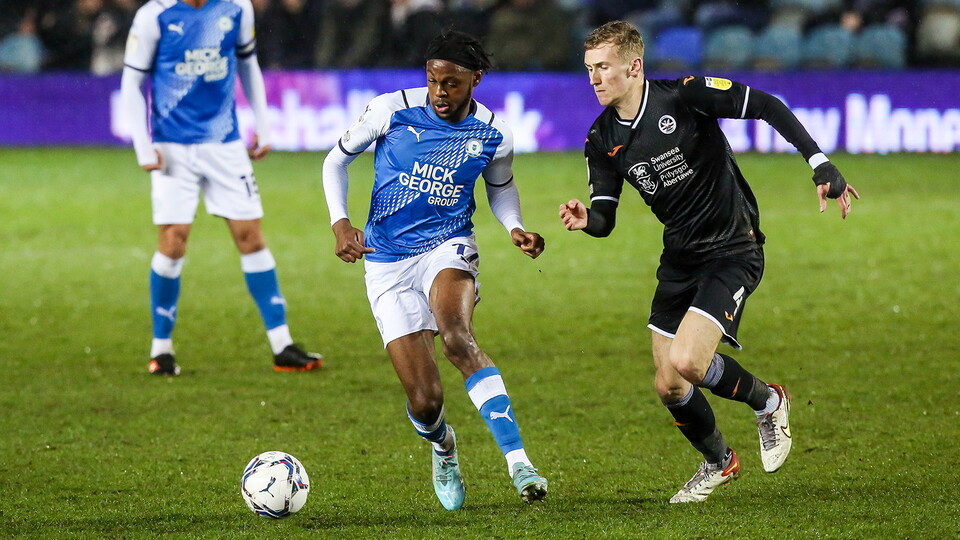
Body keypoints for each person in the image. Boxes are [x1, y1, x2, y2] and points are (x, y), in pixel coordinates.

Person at [559, 21, 859, 503]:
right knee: (669, 385)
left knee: (688, 361)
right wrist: (584, 219)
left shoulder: (685, 96)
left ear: (634, 66)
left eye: (604, 68)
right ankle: (720, 462)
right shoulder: (601, 139)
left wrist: (819, 163)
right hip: (680, 258)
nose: (595, 79)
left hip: (732, 249)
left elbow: (767, 105)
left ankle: (769, 401)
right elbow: (606, 217)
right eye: (590, 69)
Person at [322, 30, 548, 509]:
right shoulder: (391, 110)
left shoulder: (493, 133)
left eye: (452, 84)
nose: (441, 93)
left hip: (448, 245)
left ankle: (519, 461)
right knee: (425, 401)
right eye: (433, 81)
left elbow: (500, 186)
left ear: (476, 80)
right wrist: (341, 223)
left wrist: (515, 227)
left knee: (457, 338)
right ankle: (443, 447)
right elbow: (334, 162)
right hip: (385, 260)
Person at [119, 0, 323, 376]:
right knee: (174, 240)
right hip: (172, 146)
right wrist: (142, 144)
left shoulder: (236, 8)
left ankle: (282, 345)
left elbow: (248, 63)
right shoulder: (155, 14)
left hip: (225, 144)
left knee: (251, 237)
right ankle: (161, 349)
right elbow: (131, 82)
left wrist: (262, 122)